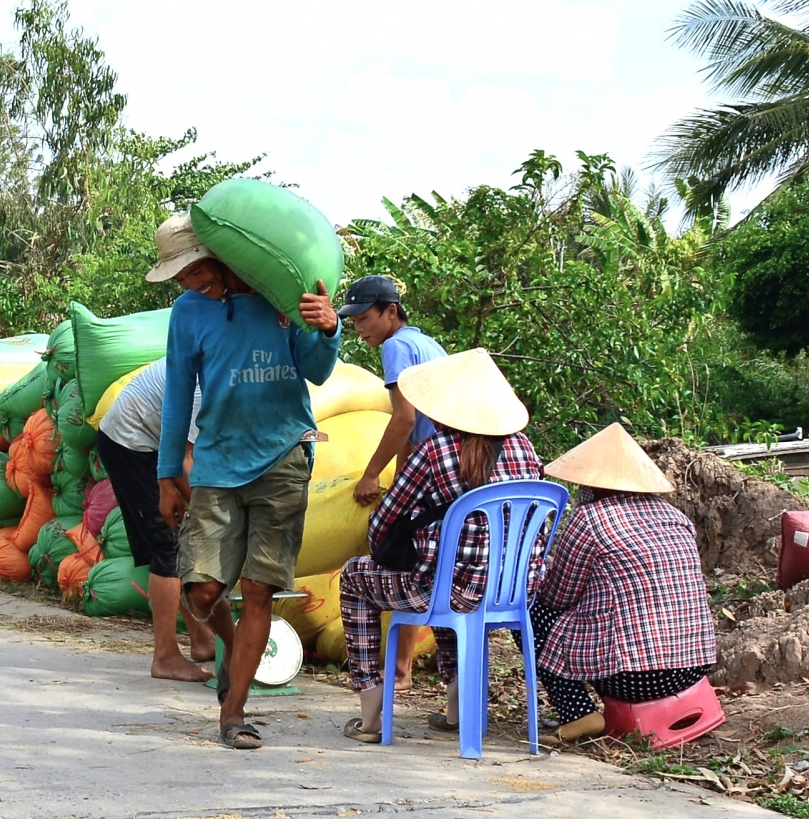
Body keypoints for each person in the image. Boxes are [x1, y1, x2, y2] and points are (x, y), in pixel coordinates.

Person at [156, 216, 341, 750]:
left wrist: (327, 328)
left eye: (192, 270)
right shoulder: (188, 312)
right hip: (216, 462)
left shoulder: (283, 298)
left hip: (283, 457)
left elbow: (319, 370)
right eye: (179, 276)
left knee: (259, 589)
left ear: (222, 255)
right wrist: (168, 473)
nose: (188, 283)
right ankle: (235, 658)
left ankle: (234, 712)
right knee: (202, 590)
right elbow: (177, 392)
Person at [337, 348, 545, 744]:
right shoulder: (525, 448)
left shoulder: (435, 451)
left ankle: (369, 714)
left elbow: (383, 523)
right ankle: (456, 707)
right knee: (445, 572)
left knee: (356, 578)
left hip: (451, 591)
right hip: (513, 593)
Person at [531, 423, 717, 742]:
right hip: (694, 666)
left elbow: (558, 597)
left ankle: (578, 714)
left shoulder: (589, 519)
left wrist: (540, 574)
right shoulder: (676, 517)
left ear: (590, 485)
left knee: (533, 609)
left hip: (632, 677)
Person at [336, 274, 447, 691]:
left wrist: (369, 474)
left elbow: (403, 419)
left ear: (391, 312)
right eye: (354, 321)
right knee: (423, 566)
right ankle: (402, 669)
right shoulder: (426, 343)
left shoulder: (397, 346)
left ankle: (394, 673)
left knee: (397, 562)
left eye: (365, 318)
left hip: (436, 475)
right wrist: (401, 480)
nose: (360, 328)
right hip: (447, 473)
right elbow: (416, 423)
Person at [95, 358, 210, 681]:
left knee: (179, 541)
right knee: (169, 544)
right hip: (130, 444)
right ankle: (166, 657)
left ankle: (202, 640)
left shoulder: (225, 368)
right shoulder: (203, 383)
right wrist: (208, 515)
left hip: (152, 442)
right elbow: (185, 458)